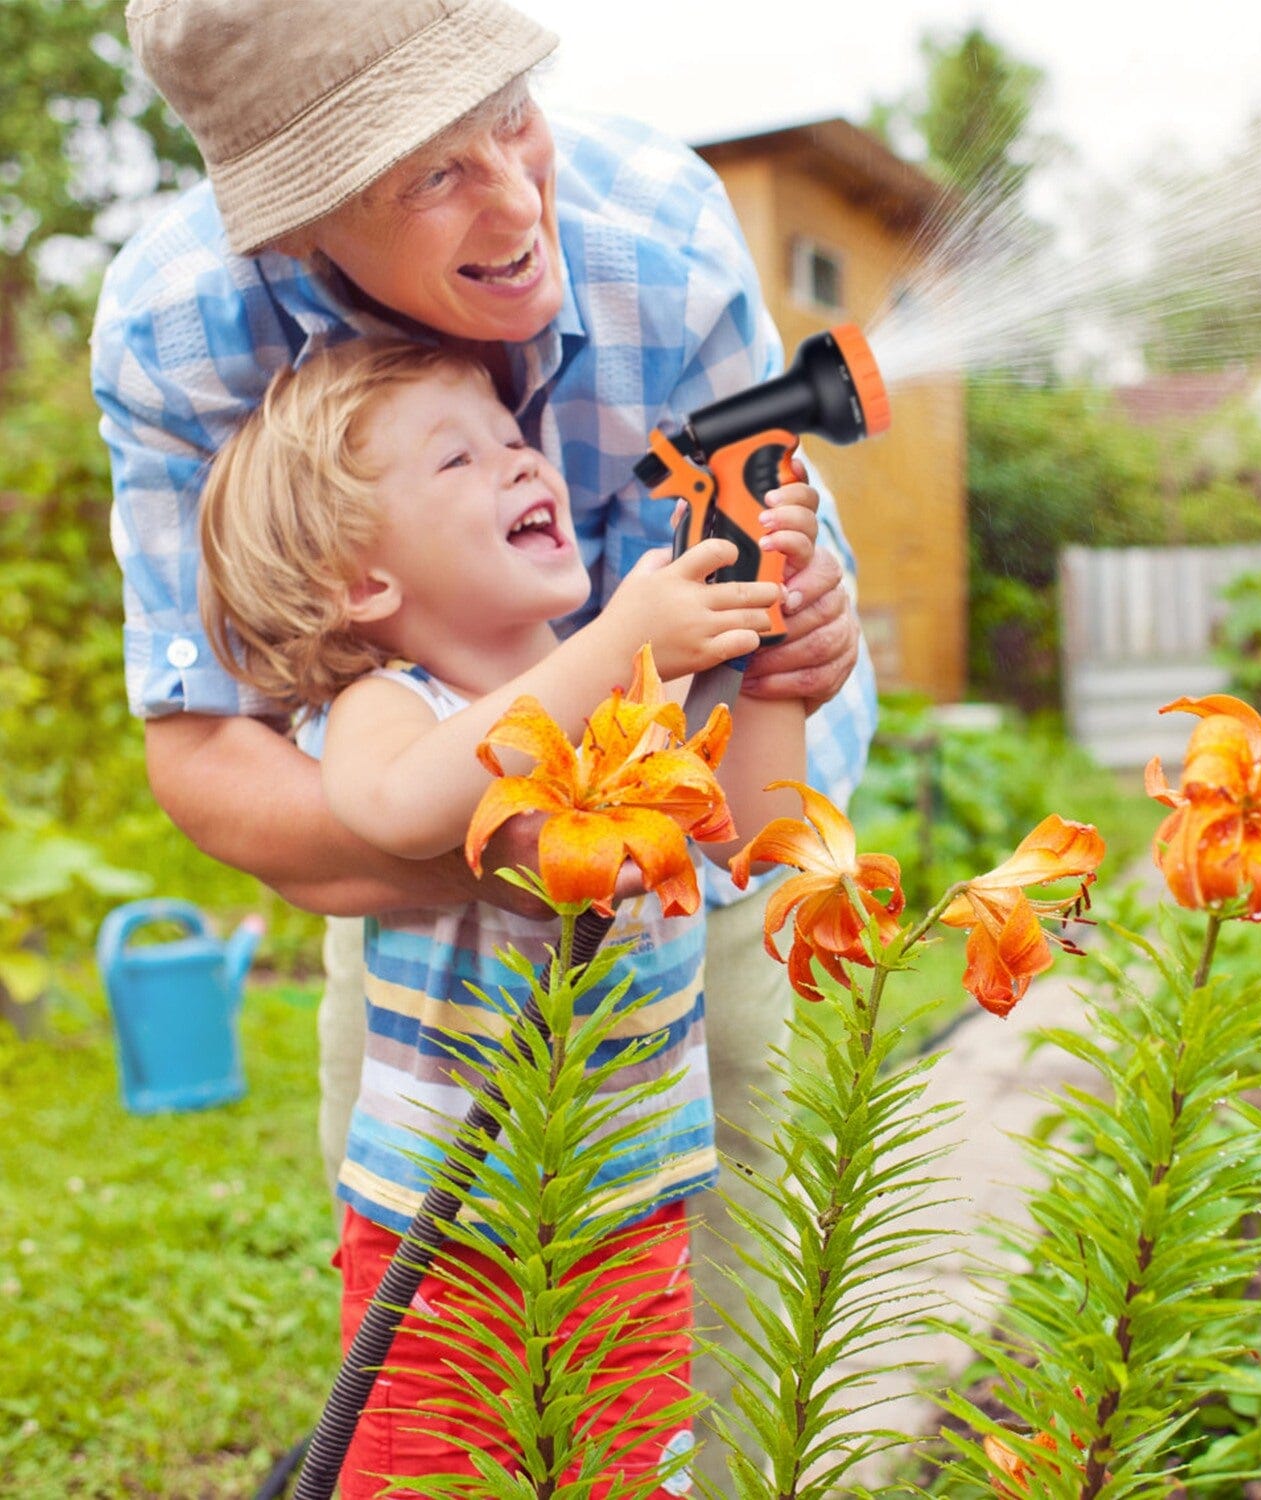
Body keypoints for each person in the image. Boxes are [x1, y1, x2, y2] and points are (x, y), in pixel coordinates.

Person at [92, 0, 878, 1483]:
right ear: (303, 217)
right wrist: (583, 712)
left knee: (679, 1428)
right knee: (436, 1440)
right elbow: (328, 782)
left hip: (638, 1172)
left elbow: (745, 830)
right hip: (449, 1158)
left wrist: (782, 668)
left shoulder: (662, 241)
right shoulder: (192, 347)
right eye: (426, 174)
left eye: (514, 118)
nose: (522, 206)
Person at [195, 335, 817, 1496]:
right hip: (450, 1241)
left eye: (516, 438)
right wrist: (623, 645)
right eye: (459, 460)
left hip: (629, 1221)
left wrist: (771, 662)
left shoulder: (633, 693)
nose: (523, 463)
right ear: (366, 584)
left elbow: (743, 828)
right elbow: (395, 805)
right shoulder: (391, 706)